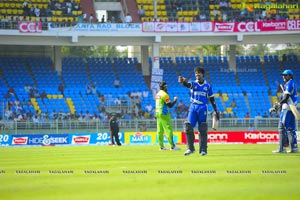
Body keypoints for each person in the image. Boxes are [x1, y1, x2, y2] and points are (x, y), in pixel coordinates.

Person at [178, 67, 219, 156]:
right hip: (193, 107)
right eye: (196, 73)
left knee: (202, 128)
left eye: (199, 73)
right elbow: (187, 85)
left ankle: (203, 150)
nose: (197, 75)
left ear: (202, 74)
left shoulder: (208, 86)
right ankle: (190, 149)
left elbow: (212, 99)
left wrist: (215, 110)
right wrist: (183, 82)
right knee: (188, 127)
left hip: (203, 107)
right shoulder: (193, 83)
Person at [270, 69, 298, 153]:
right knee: (291, 129)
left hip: (287, 108)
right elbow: (283, 97)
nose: (283, 77)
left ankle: (282, 148)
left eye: (285, 75)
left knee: (282, 128)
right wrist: (279, 103)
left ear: (290, 76)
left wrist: (278, 104)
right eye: (283, 75)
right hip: (292, 108)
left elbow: (285, 98)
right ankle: (294, 148)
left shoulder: (289, 84)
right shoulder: (291, 83)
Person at [155, 81, 180, 151]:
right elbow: (170, 105)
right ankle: (172, 146)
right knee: (168, 130)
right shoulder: (165, 94)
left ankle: (161, 147)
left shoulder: (158, 94)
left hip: (157, 113)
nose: (167, 88)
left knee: (160, 130)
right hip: (164, 113)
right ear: (165, 87)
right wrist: (175, 100)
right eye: (166, 86)